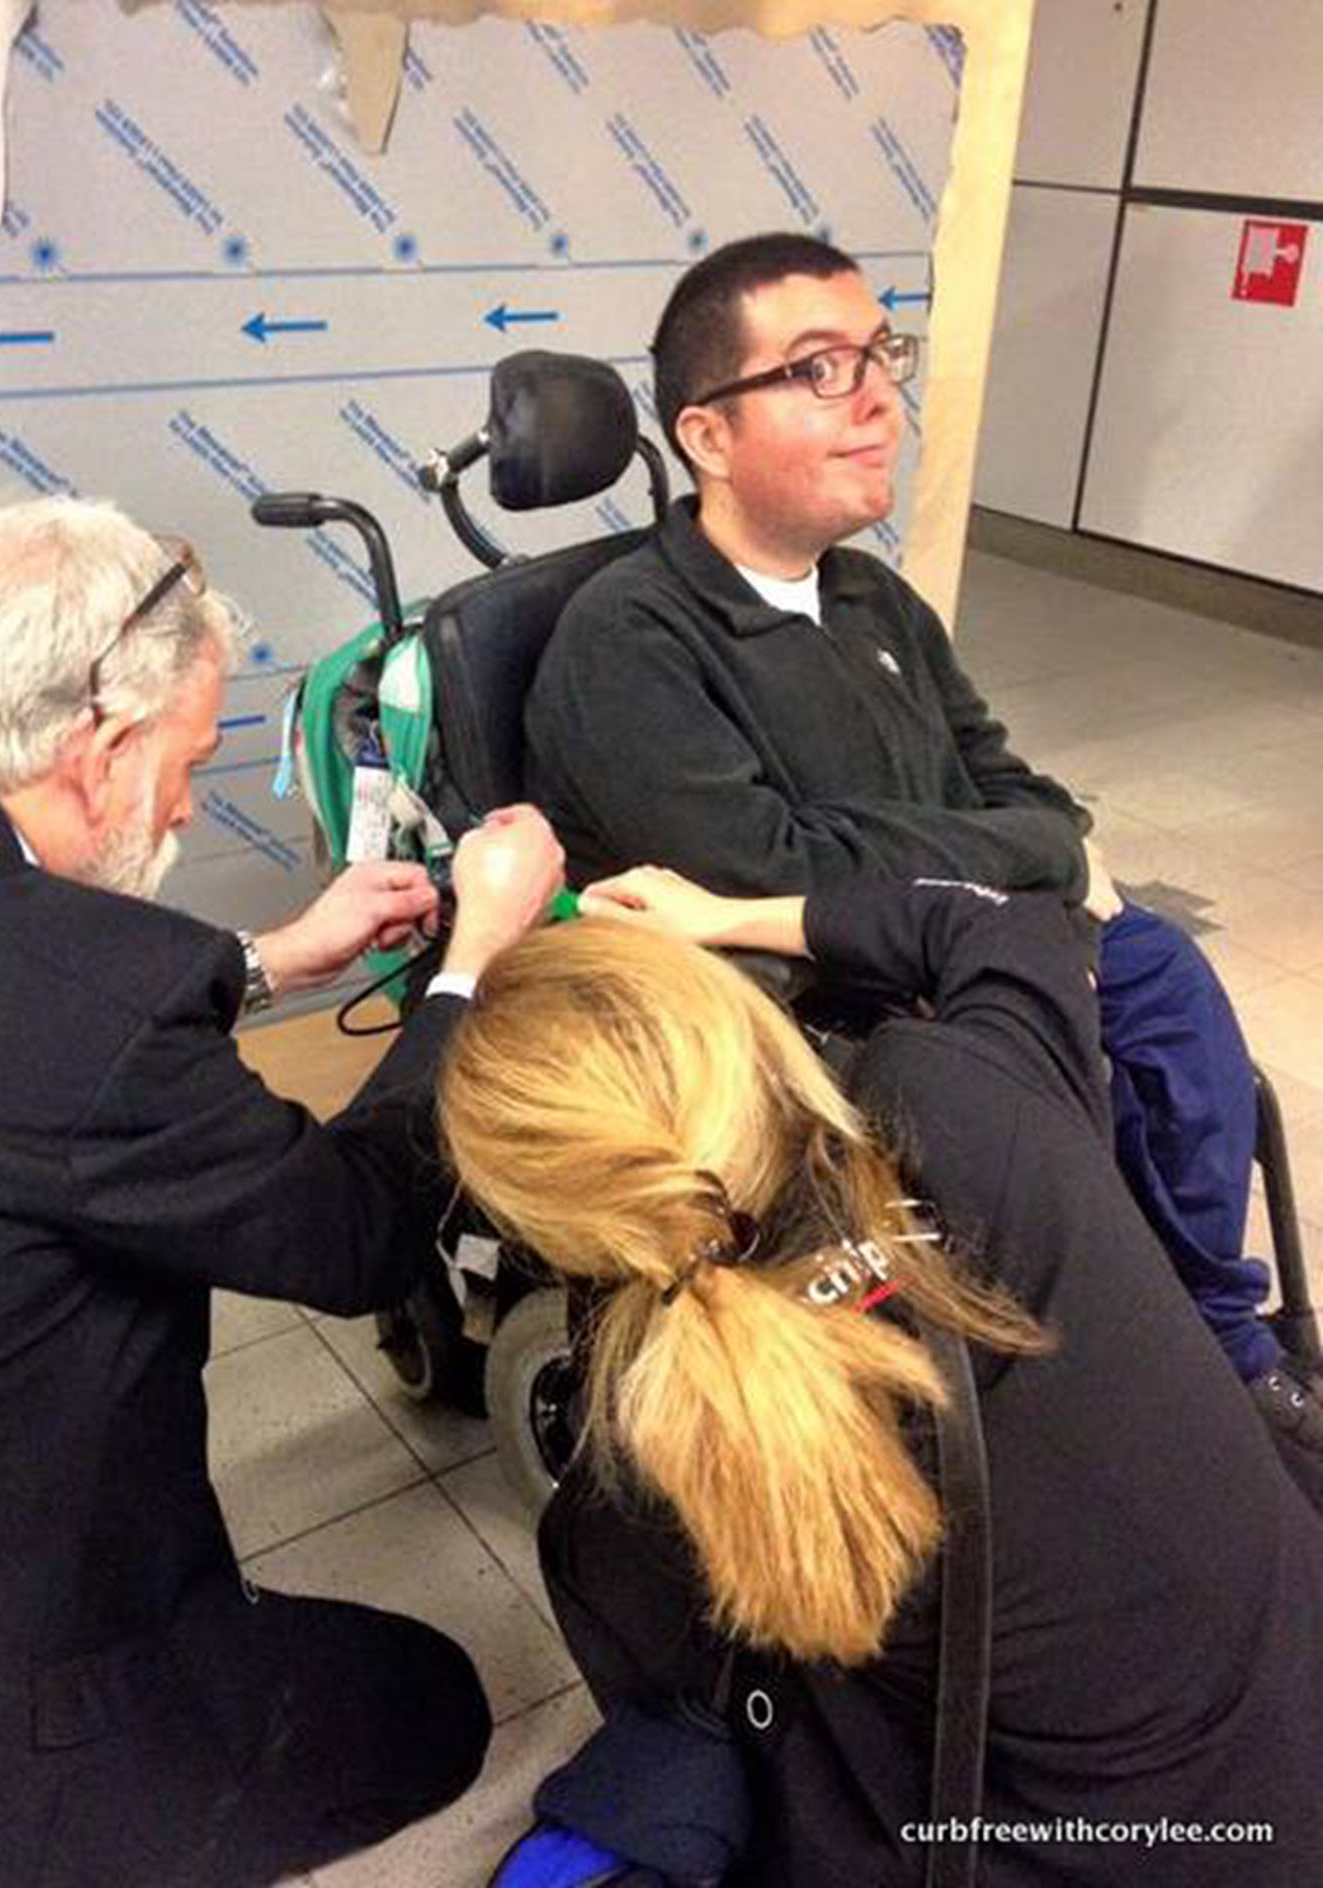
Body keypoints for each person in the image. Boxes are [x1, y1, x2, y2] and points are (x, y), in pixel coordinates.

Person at [523, 230, 1322, 1455]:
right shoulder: (627, 641)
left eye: (879, 353)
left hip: (966, 952)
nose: (881, 397)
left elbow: (1015, 785)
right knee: (1124, 1006)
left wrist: (1010, 851)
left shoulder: (870, 596)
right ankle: (1167, 1360)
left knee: (1161, 981)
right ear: (708, 435)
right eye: (820, 369)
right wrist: (1026, 862)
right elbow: (762, 867)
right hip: (819, 999)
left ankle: (1201, 1331)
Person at [0, 494, 566, 1888]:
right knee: (438, 1708)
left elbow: (14, 1041)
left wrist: (266, 962)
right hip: (0, 1683)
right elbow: (362, 1236)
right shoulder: (93, 1008)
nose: (192, 804)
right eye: (190, 764)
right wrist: (473, 969)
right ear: (100, 750)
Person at [436, 866, 1323, 1886]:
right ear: (735, 1020)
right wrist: (729, 915)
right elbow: (1009, 916)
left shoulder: (672, 1425)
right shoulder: (959, 1090)